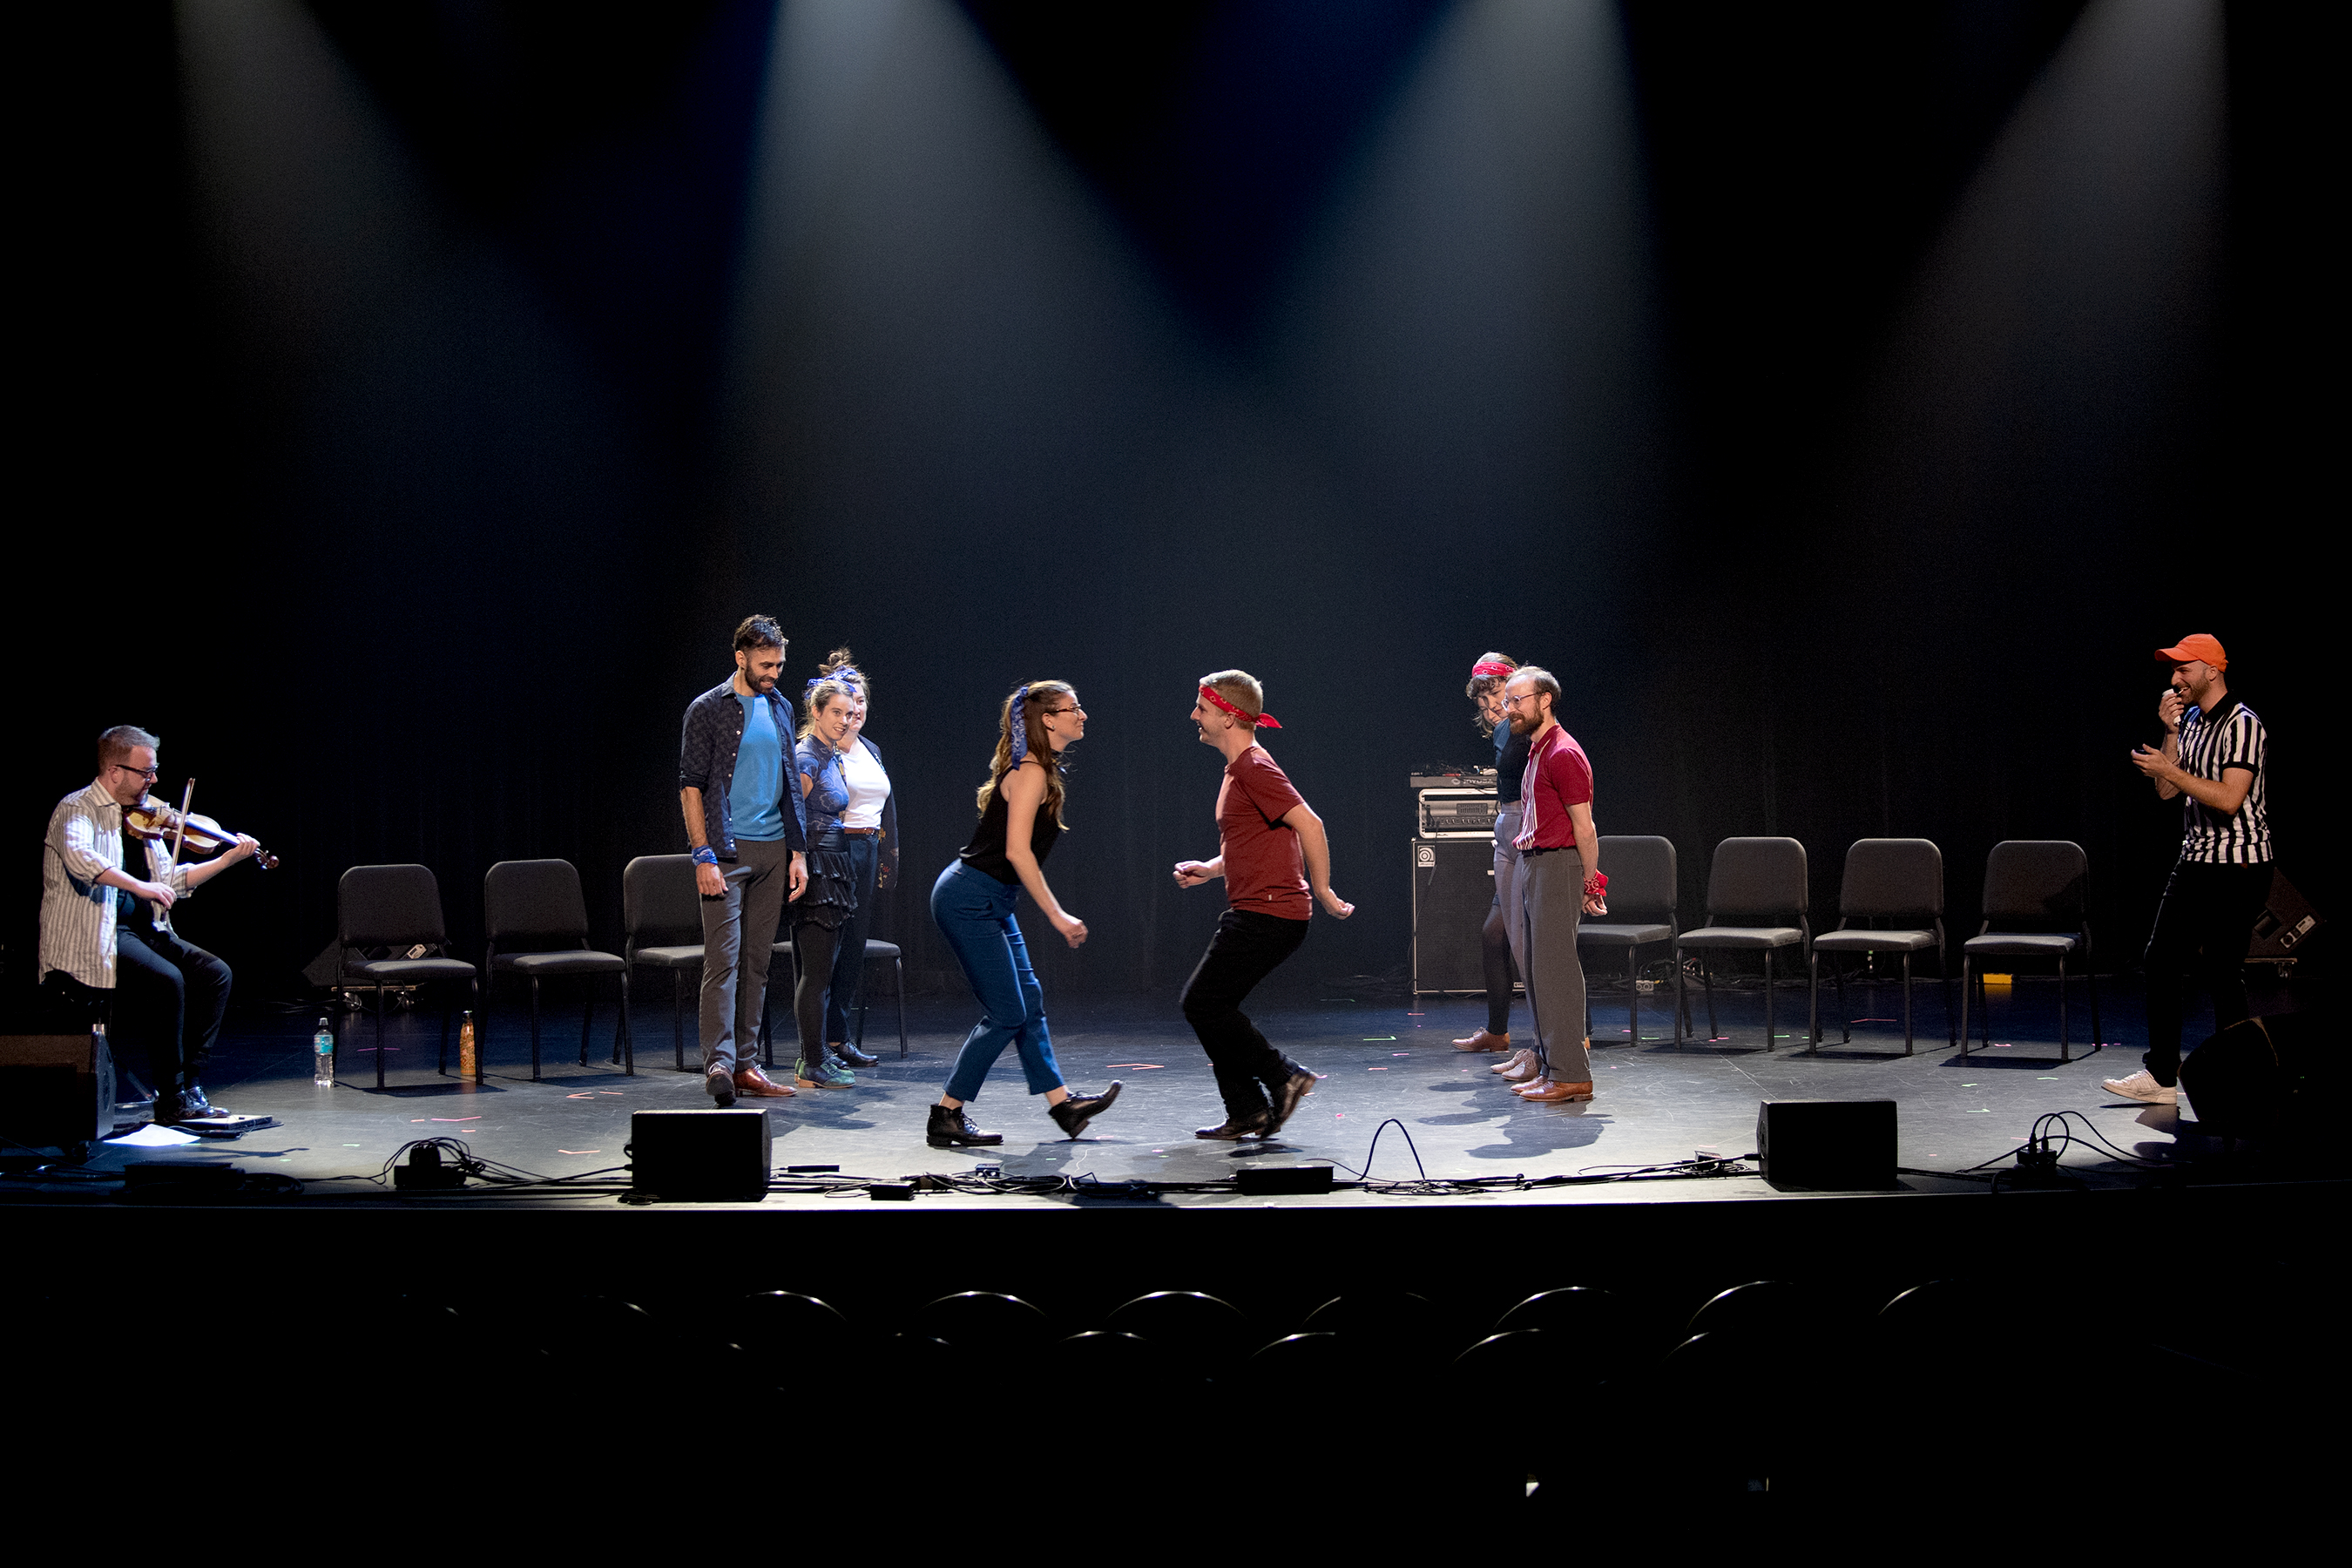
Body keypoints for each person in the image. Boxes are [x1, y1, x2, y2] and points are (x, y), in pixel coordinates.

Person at [926, 680, 1121, 1148]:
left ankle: (1062, 1105)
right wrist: (1057, 915)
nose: (1082, 715)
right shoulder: (1031, 771)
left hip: (992, 899)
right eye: (1074, 708)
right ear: (1048, 720)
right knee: (1007, 1012)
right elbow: (1017, 851)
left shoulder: (1040, 769)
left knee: (1027, 999)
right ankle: (947, 1113)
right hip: (968, 898)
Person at [38, 725, 261, 1125]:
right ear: (114, 772)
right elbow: (80, 858)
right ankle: (170, 1096)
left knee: (215, 974)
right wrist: (139, 886)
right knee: (166, 979)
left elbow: (171, 881)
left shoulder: (144, 819)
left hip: (143, 931)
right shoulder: (77, 808)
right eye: (146, 772)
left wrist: (227, 859)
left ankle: (190, 1083)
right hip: (95, 937)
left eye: (154, 771)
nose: (154, 780)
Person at [1172, 670, 1355, 1140]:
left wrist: (1324, 890)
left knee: (1203, 1003)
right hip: (1259, 909)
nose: (1194, 715)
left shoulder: (1254, 767)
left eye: (1202, 708)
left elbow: (1309, 824)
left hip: (1271, 912)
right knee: (1215, 1008)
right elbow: (1254, 842)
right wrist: (1211, 869)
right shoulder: (1240, 769)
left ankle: (1282, 1077)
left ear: (1228, 717)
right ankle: (1247, 1110)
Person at [2109, 633, 2274, 1106]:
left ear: (2212, 671)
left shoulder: (2244, 724)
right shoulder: (2193, 722)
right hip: (2196, 859)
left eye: (2184, 668)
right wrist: (2171, 733)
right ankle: (2162, 1075)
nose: (2175, 677)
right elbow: (2167, 793)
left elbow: (2229, 799)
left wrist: (2170, 769)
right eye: (2173, 669)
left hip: (2240, 863)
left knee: (2222, 970)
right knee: (2160, 959)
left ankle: (2243, 1079)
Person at [679, 615, 808, 1106]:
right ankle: (719, 1063)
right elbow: (691, 787)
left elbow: (790, 782)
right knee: (724, 961)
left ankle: (746, 1064)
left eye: (779, 665)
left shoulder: (781, 706)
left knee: (757, 963)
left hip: (774, 850)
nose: (774, 673)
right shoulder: (707, 709)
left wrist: (798, 852)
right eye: (765, 665)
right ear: (741, 658)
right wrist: (702, 855)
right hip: (726, 852)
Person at [1497, 666, 1605, 1105]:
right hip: (1535, 863)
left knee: (1556, 970)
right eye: (1507, 701)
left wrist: (1591, 883)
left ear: (1545, 700)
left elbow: (1585, 827)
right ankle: (1550, 1067)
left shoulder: (1563, 753)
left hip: (1558, 864)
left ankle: (1572, 1074)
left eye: (1517, 700)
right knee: (1539, 971)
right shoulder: (1537, 750)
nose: (1510, 709)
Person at [814, 650, 897, 1070]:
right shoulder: (821, 750)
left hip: (867, 849)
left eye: (862, 701)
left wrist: (886, 859)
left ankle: (839, 1035)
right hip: (834, 849)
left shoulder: (871, 749)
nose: (857, 710)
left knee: (853, 948)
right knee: (827, 949)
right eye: (849, 704)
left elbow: (886, 810)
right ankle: (816, 1044)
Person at [787, 675, 864, 1090]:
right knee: (816, 972)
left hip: (834, 863)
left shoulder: (830, 754)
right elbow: (791, 813)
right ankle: (811, 1062)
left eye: (849, 714)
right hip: (816, 864)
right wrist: (799, 859)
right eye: (836, 712)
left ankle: (817, 1054)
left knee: (824, 970)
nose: (844, 720)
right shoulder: (807, 756)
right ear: (815, 712)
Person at [1453, 652, 1531, 1059]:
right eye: (1482, 702)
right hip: (1508, 828)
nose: (1490, 707)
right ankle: (1498, 1033)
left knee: (1534, 939)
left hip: (1528, 830)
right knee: (1494, 935)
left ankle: (1571, 1033)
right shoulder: (1505, 730)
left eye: (1495, 695)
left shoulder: (1524, 728)